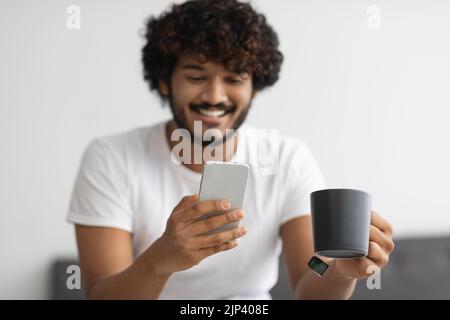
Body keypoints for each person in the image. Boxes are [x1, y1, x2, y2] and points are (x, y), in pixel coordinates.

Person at [67, 0, 394, 300]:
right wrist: (160, 260)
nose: (214, 96)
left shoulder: (288, 159)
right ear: (165, 81)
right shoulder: (111, 158)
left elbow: (310, 281)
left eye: (235, 79)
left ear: (256, 88)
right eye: (196, 76)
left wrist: (338, 271)